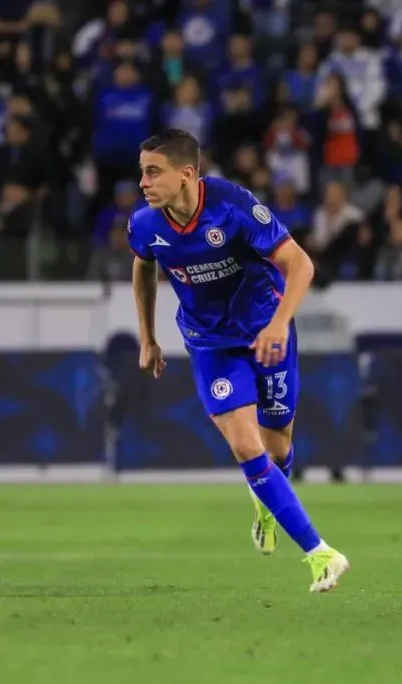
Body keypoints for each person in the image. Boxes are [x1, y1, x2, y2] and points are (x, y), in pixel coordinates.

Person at [128, 129, 349, 593]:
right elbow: (142, 266)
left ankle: (264, 503)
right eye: (142, 171)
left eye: (153, 172)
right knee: (247, 449)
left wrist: (279, 323)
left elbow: (301, 264)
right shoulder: (146, 225)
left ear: (187, 173)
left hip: (267, 331)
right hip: (210, 344)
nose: (143, 182)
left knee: (279, 445)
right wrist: (147, 336)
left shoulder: (233, 206)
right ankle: (320, 553)